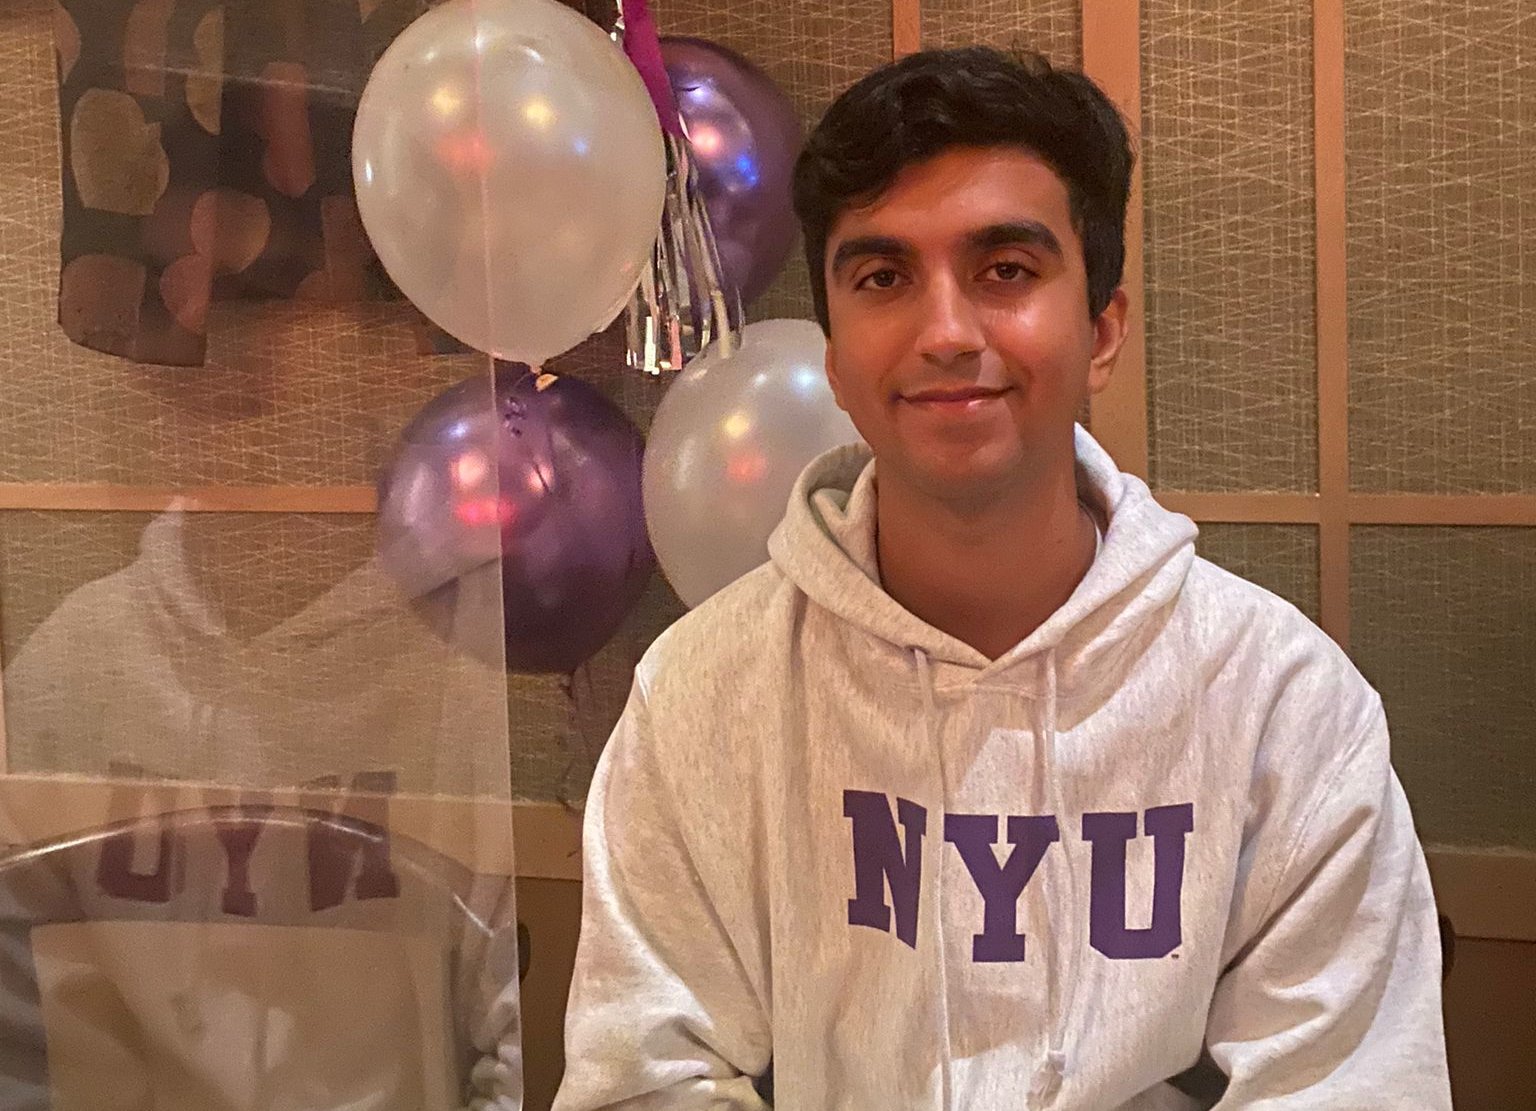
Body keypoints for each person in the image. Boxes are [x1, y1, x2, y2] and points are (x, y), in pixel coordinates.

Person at [553, 46, 1451, 1110]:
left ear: (1101, 330)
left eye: (1006, 272)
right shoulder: (704, 695)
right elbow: (643, 1077)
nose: (945, 333)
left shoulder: (1282, 705)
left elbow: (1348, 1085)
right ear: (837, 356)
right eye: (884, 278)